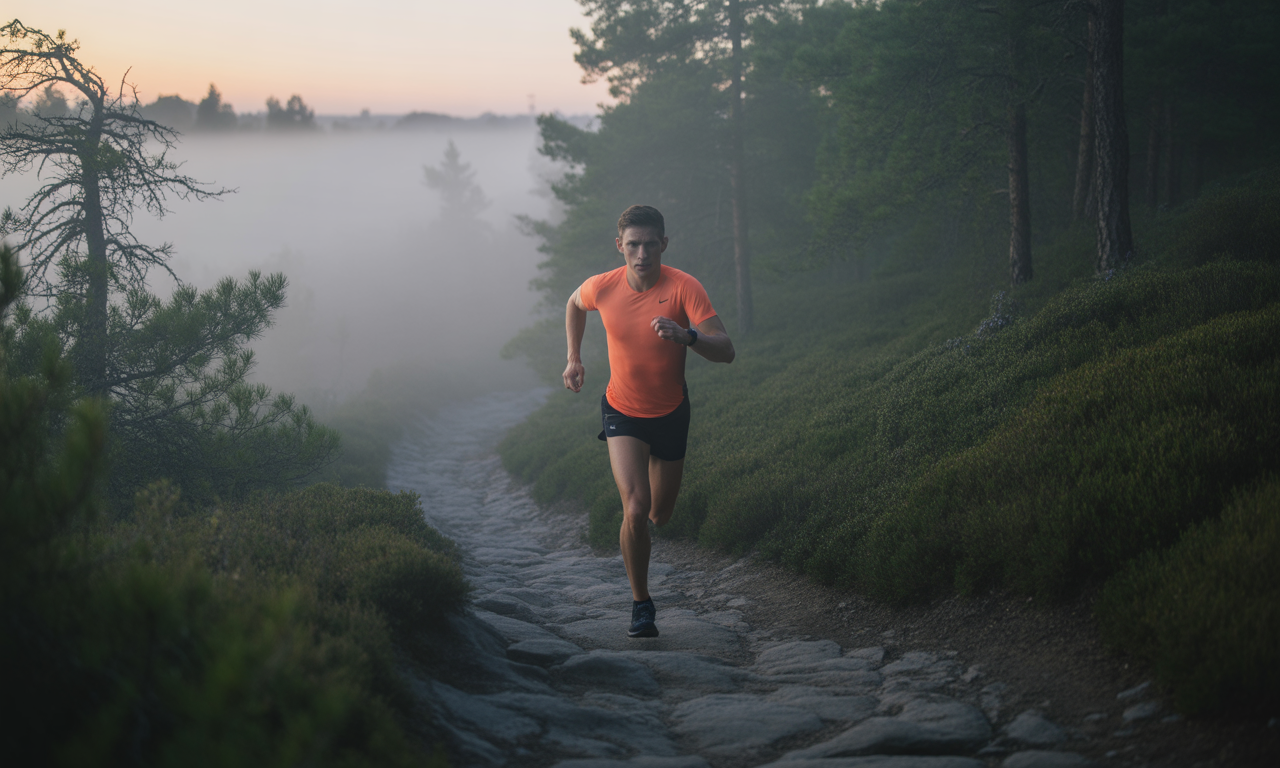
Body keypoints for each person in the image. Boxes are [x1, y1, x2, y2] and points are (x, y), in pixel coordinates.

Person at [562, 205, 735, 638]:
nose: (642, 253)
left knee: (661, 513)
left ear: (664, 244)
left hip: (672, 412)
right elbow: (573, 302)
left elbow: (726, 349)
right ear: (619, 246)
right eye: (633, 244)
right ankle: (641, 604)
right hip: (621, 409)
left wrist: (687, 336)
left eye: (650, 243)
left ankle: (646, 558)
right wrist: (574, 357)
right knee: (635, 510)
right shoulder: (603, 287)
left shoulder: (683, 287)